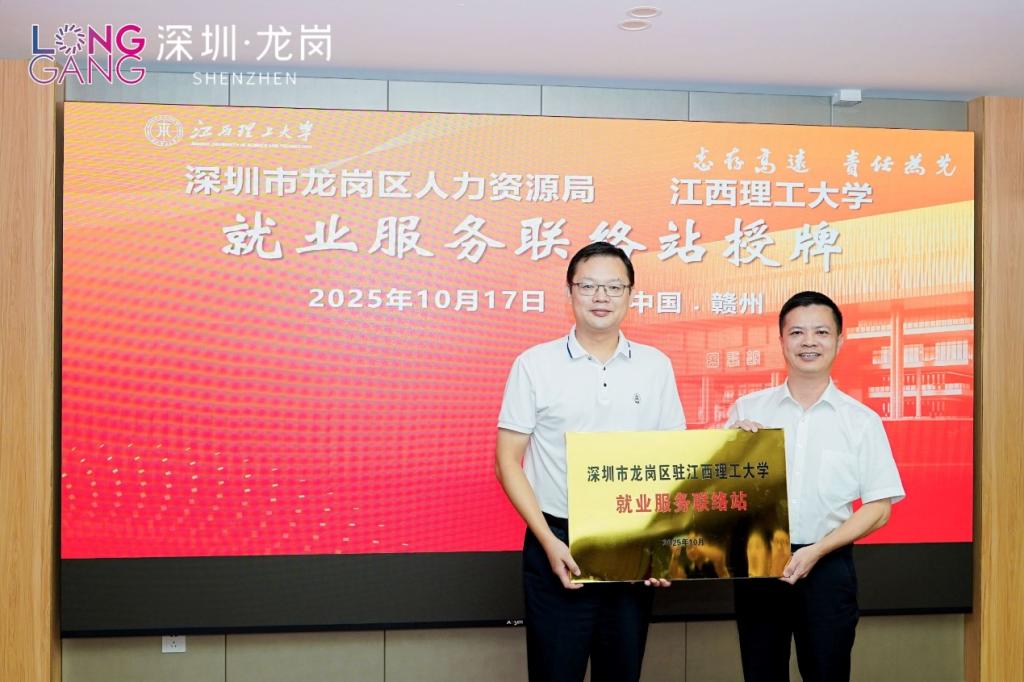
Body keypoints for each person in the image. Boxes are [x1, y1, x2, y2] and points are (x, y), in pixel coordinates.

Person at [495, 241, 686, 682]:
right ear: (569, 292)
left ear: (631, 294)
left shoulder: (655, 366)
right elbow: (507, 461)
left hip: (634, 538)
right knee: (555, 671)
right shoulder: (534, 364)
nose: (602, 297)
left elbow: (672, 459)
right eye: (589, 286)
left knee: (622, 670)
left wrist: (665, 545)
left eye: (614, 287)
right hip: (557, 538)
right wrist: (547, 541)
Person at [729, 291, 905, 682]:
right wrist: (729, 450)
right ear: (781, 340)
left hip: (828, 567)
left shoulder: (861, 420)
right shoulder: (747, 410)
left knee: (827, 673)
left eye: (821, 332)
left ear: (840, 340)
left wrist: (817, 550)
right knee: (761, 674)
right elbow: (716, 495)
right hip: (759, 565)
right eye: (797, 332)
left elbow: (879, 507)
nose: (809, 342)